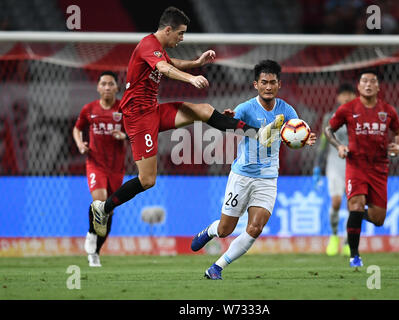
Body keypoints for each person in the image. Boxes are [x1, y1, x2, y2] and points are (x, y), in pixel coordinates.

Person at [89, 7, 283, 236]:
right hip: (138, 118)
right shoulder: (148, 44)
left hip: (152, 110)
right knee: (147, 179)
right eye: (180, 34)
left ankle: (256, 133)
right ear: (168, 29)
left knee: (202, 110)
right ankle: (103, 208)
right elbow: (164, 67)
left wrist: (196, 62)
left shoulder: (156, 49)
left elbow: (170, 63)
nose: (182, 38)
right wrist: (191, 79)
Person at [190, 60, 317, 280]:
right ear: (255, 84)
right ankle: (211, 231)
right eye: (264, 82)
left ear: (279, 85)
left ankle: (216, 267)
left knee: (255, 227)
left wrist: (303, 139)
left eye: (273, 83)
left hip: (268, 178)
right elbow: (230, 124)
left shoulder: (287, 111)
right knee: (225, 230)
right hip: (242, 176)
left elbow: (294, 135)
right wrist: (229, 118)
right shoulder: (246, 108)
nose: (268, 87)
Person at [325, 69, 399, 267]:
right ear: (359, 87)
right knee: (357, 204)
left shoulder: (388, 110)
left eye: (372, 81)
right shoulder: (348, 109)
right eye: (364, 81)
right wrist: (339, 146)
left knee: (378, 219)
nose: (368, 84)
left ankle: (355, 214)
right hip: (355, 165)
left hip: (379, 168)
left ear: (378, 87)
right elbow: (328, 130)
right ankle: (354, 256)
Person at [73, 71, 127, 267]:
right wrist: (80, 145)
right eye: (103, 83)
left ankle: (95, 251)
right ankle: (90, 233)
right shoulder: (89, 109)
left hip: (116, 168)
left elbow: (136, 130)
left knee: (108, 211)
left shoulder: (123, 108)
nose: (106, 87)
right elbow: (77, 128)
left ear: (116, 87)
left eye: (110, 84)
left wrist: (124, 136)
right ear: (98, 87)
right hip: (95, 163)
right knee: (100, 200)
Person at [312, 83, 356, 257]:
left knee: (353, 205)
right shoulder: (330, 118)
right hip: (335, 165)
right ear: (338, 97)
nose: (346, 97)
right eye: (344, 94)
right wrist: (317, 167)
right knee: (337, 202)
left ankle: (348, 240)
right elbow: (323, 144)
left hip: (354, 166)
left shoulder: (360, 117)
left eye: (350, 94)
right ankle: (335, 235)